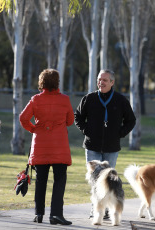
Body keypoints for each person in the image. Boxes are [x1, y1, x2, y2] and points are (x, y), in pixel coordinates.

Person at [74, 69, 136, 218]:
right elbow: (78, 116)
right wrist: (86, 130)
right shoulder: (89, 98)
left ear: (112, 82)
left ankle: (107, 210)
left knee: (108, 180)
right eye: (99, 79)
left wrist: (119, 133)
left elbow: (131, 120)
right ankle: (95, 209)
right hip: (92, 146)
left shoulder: (120, 100)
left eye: (105, 80)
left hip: (111, 148)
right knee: (95, 179)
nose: (101, 82)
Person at [19, 69, 74, 225]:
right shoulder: (65, 100)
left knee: (40, 181)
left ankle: (39, 214)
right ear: (57, 82)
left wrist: (34, 128)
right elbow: (70, 121)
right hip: (59, 147)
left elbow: (23, 118)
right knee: (59, 180)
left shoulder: (35, 99)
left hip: (40, 146)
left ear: (41, 82)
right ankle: (56, 214)